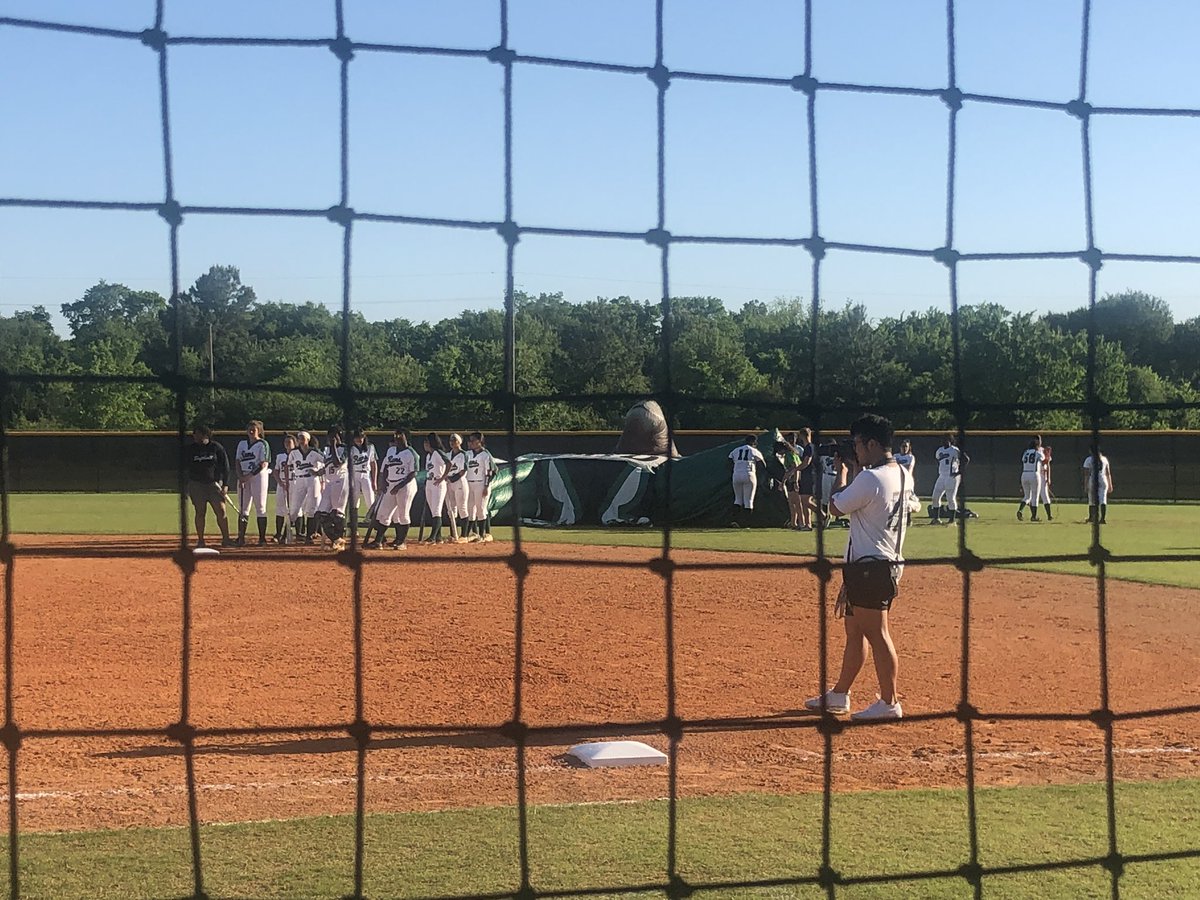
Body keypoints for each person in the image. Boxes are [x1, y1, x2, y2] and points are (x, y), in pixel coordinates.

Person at [804, 414, 919, 721]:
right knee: (855, 631)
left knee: (877, 633)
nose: (854, 449)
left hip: (872, 567)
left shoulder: (870, 478)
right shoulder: (904, 474)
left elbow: (835, 505)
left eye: (856, 444)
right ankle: (840, 695)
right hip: (876, 564)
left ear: (871, 443)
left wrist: (843, 472)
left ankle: (889, 701)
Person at [365, 427, 420, 549]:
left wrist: (399, 486)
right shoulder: (391, 450)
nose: (397, 438)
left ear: (406, 437)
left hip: (406, 486)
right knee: (384, 513)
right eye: (396, 435)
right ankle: (378, 541)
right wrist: (383, 483)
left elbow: (413, 473)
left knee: (403, 514)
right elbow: (384, 469)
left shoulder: (411, 453)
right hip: (390, 484)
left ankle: (401, 542)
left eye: (400, 435)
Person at [184, 424, 234, 548]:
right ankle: (201, 540)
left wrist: (225, 485)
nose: (194, 436)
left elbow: (226, 467)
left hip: (214, 485)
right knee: (200, 512)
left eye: (196, 433)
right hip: (197, 485)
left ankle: (226, 539)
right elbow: (185, 469)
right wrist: (186, 486)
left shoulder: (216, 447)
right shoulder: (190, 449)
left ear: (204, 434)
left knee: (221, 511)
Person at [234, 420, 271, 546]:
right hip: (244, 475)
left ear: (259, 431)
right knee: (243, 507)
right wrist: (240, 477)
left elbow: (263, 463)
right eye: (249, 429)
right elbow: (237, 461)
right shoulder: (242, 444)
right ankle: (241, 537)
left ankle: (262, 538)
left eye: (253, 429)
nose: (251, 431)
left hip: (258, 476)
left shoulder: (263, 444)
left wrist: (248, 476)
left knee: (260, 506)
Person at [315, 425, 350, 550]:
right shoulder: (326, 449)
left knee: (337, 513)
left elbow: (338, 462)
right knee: (320, 514)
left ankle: (338, 541)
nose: (331, 438)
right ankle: (336, 539)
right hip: (330, 482)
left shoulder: (346, 448)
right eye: (330, 436)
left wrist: (334, 446)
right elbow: (328, 465)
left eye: (334, 435)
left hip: (341, 480)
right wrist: (318, 472)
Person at [288, 431, 323, 543]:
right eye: (299, 439)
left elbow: (327, 462)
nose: (301, 441)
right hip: (299, 479)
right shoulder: (294, 453)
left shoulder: (315, 452)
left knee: (312, 508)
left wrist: (319, 472)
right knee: (294, 508)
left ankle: (310, 536)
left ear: (308, 440)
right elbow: (288, 465)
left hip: (312, 480)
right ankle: (287, 534)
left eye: (303, 438)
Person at [727, 434, 766, 527]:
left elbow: (729, 462)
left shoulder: (736, 450)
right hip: (749, 474)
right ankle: (746, 523)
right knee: (748, 500)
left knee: (738, 499)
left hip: (736, 474)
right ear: (754, 442)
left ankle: (735, 521)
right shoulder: (754, 451)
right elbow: (763, 465)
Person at [465, 432, 498, 542]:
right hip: (469, 483)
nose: (471, 443)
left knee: (481, 509)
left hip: (481, 483)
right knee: (470, 508)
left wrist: (486, 486)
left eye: (474, 440)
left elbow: (489, 472)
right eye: (470, 440)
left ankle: (482, 534)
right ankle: (472, 534)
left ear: (480, 441)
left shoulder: (485, 455)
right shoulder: (468, 454)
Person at [930, 433, 967, 525]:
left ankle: (952, 520)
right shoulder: (939, 450)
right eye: (943, 439)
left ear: (950, 440)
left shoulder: (954, 450)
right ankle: (936, 519)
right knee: (935, 497)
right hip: (942, 476)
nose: (944, 441)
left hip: (952, 476)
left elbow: (966, 459)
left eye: (946, 439)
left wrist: (959, 471)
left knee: (950, 498)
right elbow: (938, 460)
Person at [422, 433, 450, 544]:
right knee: (433, 511)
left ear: (431, 443)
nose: (424, 445)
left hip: (438, 483)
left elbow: (449, 463)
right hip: (429, 482)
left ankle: (432, 537)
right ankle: (438, 537)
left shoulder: (438, 453)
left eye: (426, 442)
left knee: (437, 510)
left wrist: (443, 477)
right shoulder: (429, 456)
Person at [271, 433, 296, 542]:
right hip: (282, 484)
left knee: (293, 509)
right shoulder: (281, 456)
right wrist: (280, 482)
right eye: (285, 442)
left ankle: (288, 533)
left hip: (294, 484)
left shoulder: (298, 455)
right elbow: (275, 471)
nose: (287, 444)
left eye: (289, 442)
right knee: (280, 509)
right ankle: (278, 534)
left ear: (294, 443)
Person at [349, 427, 378, 523]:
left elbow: (373, 464)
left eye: (361, 437)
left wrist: (374, 481)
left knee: (370, 499)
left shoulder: (370, 447)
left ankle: (374, 523)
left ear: (364, 437)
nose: (358, 440)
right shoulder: (351, 448)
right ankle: (354, 525)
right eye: (356, 438)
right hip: (354, 475)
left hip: (366, 474)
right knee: (354, 501)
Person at [445, 432, 470, 543]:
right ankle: (453, 534)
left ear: (459, 442)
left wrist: (453, 478)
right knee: (451, 509)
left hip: (459, 482)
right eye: (451, 440)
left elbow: (463, 470)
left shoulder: (463, 454)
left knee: (462, 508)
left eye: (454, 440)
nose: (452, 443)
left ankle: (464, 535)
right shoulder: (448, 455)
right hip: (449, 483)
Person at [1083, 444, 1114, 524]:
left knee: (1092, 499)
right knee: (1103, 499)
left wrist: (1086, 485)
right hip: (1103, 479)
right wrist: (1110, 484)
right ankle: (1102, 518)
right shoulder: (1104, 459)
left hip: (1093, 479)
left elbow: (1086, 474)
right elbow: (1108, 473)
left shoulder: (1089, 460)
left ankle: (1092, 517)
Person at [1017, 436, 1045, 522]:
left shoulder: (1025, 452)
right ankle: (1034, 516)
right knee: (1035, 496)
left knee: (1027, 496)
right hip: (1034, 474)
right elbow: (1043, 459)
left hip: (1024, 473)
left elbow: (1023, 460)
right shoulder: (1037, 452)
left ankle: (1020, 510)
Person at [795, 428, 816, 531]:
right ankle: (808, 524)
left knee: (805, 500)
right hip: (805, 475)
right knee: (804, 501)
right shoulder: (807, 447)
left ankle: (822, 514)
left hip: (809, 475)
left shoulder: (809, 447)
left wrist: (795, 469)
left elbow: (806, 463)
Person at [893, 439, 917, 527]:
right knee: (896, 499)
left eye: (906, 446)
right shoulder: (895, 456)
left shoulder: (910, 457)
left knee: (907, 499)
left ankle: (909, 519)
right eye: (903, 446)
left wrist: (898, 467)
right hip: (897, 480)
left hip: (907, 481)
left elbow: (908, 468)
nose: (904, 448)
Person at [1037, 443, 1054, 521]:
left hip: (1043, 475)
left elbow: (1048, 465)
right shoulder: (1037, 451)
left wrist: (1048, 477)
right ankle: (1033, 515)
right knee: (1033, 495)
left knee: (1044, 495)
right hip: (1036, 473)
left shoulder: (1043, 450)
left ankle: (1049, 515)